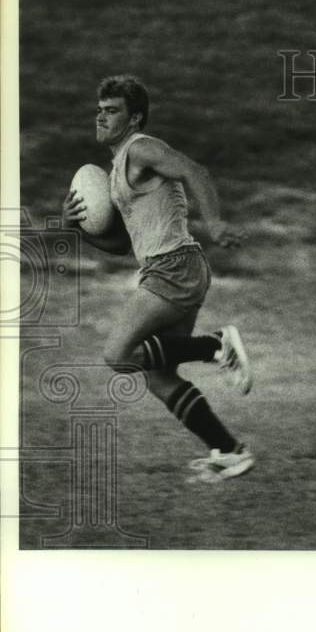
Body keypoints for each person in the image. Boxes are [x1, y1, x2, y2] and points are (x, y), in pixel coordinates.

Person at [61, 75, 255, 483]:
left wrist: (215, 222)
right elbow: (121, 245)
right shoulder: (118, 171)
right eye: (99, 110)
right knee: (157, 375)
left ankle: (217, 346)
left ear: (134, 119)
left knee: (117, 355)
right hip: (167, 268)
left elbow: (193, 170)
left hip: (175, 268)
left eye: (111, 111)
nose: (101, 117)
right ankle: (230, 451)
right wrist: (78, 227)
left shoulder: (143, 148)